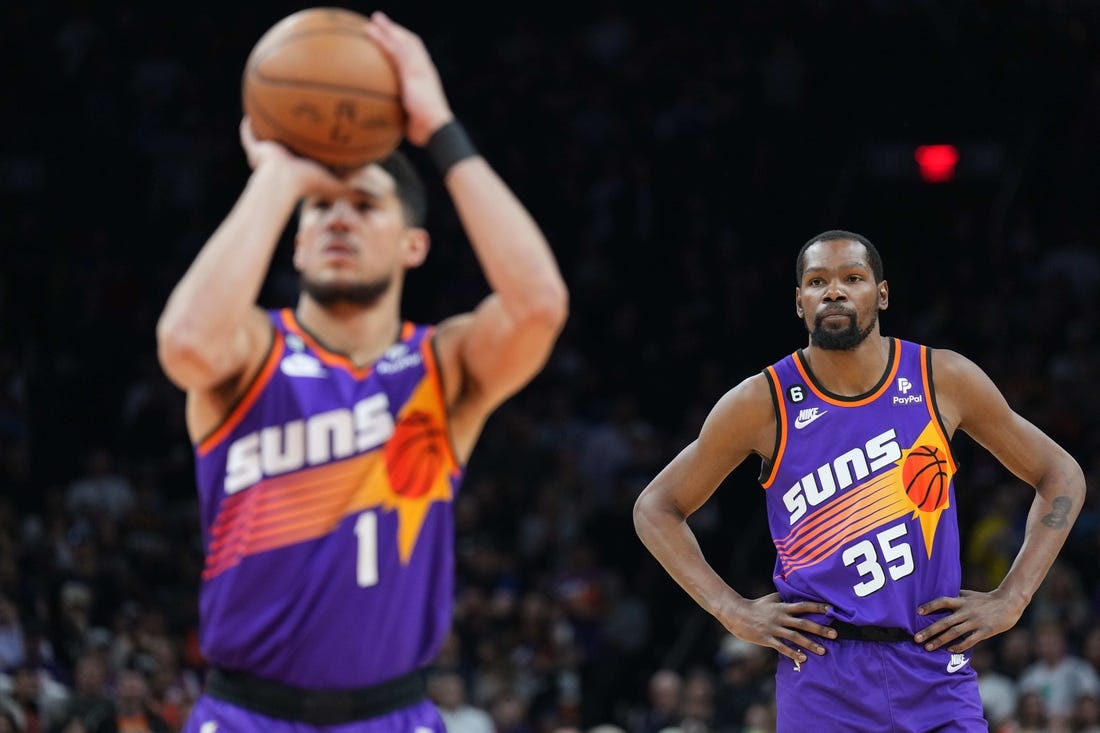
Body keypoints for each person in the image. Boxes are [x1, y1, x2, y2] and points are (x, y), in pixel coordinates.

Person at [156, 11, 568, 733]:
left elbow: (538, 306)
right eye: (319, 208)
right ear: (294, 241)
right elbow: (184, 343)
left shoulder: (443, 366)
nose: (337, 220)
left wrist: (438, 124)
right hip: (245, 713)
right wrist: (279, 177)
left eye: (364, 204)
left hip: (393, 715)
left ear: (414, 244)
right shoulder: (250, 350)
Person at [633, 230, 1085, 732]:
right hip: (823, 674)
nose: (834, 291)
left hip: (934, 663)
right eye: (817, 281)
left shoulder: (942, 378)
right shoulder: (761, 402)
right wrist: (730, 610)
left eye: (852, 278)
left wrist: (1013, 598)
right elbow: (656, 507)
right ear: (799, 302)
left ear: (882, 294)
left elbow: (1060, 473)